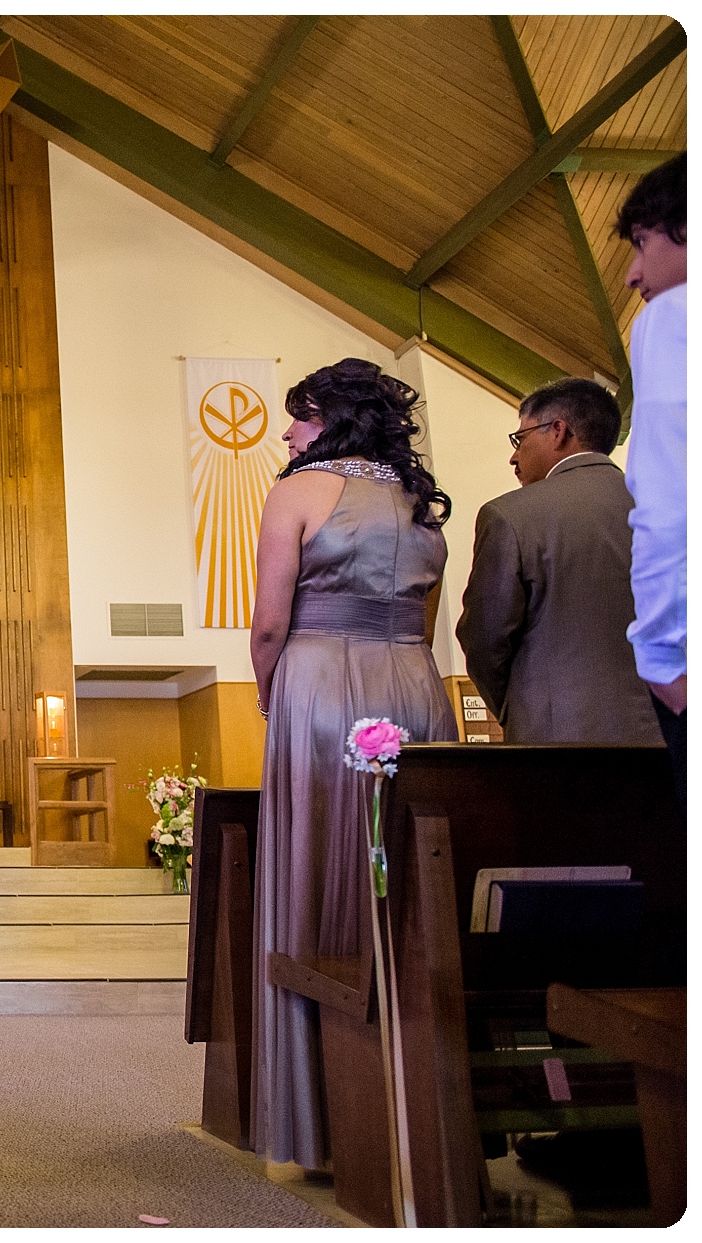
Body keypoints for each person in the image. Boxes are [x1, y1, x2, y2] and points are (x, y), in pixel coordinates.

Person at [248, 358, 457, 1171]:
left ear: (332, 419)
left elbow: (270, 622)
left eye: (299, 416)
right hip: (415, 684)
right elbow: (425, 617)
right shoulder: (419, 499)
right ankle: (417, 1104)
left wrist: (270, 691)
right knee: (407, 879)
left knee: (315, 868)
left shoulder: (299, 490)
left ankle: (323, 1118)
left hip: (322, 683)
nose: (287, 433)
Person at [455, 379, 661, 744]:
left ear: (558, 431)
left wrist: (519, 708)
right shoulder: (671, 514)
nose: (514, 457)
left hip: (556, 744)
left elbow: (485, 640)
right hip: (669, 737)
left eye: (520, 439)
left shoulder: (510, 515)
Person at [615, 154, 686, 778]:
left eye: (643, 241)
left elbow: (671, 503)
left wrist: (662, 658)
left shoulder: (673, 317)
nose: (633, 274)